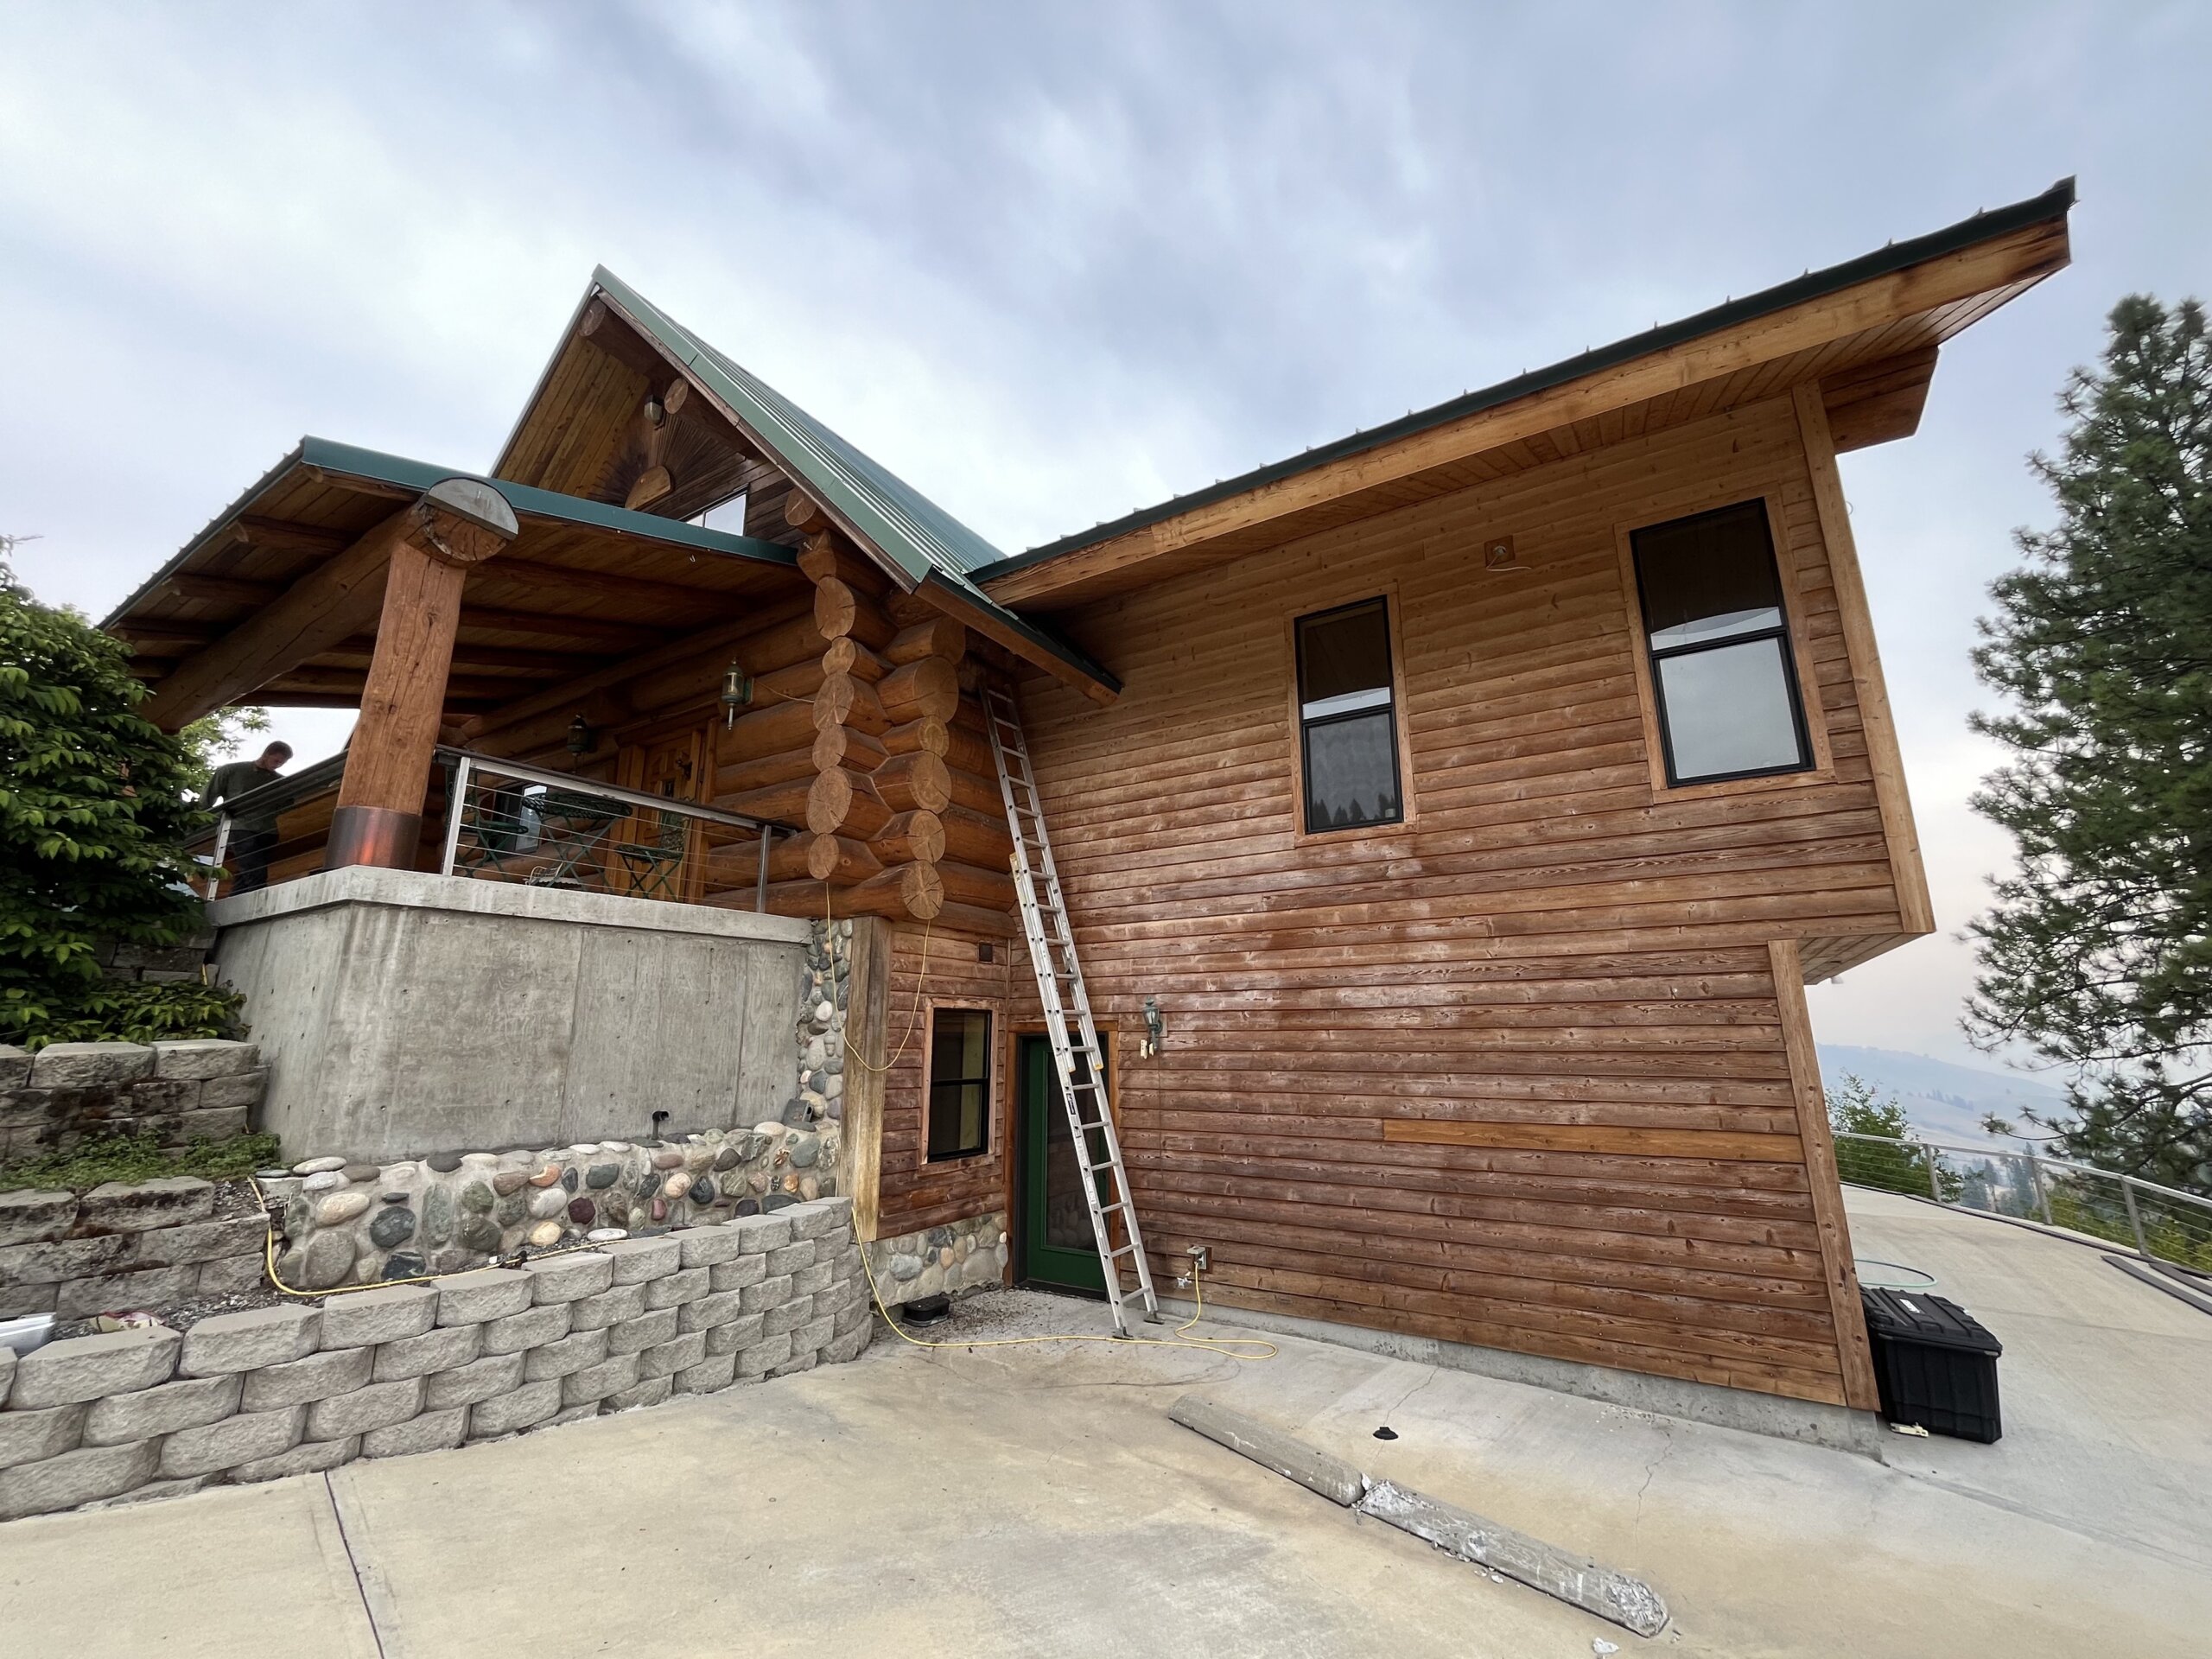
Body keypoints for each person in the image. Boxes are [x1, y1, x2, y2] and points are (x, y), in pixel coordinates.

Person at [202, 741, 292, 893]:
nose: (278, 765)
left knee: (247, 871)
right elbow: (207, 799)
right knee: (254, 869)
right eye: (276, 761)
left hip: (267, 830)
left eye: (282, 763)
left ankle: (236, 898)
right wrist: (206, 819)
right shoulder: (232, 770)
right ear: (266, 754)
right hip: (239, 826)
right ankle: (260, 895)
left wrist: (271, 811)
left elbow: (288, 802)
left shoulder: (280, 781)